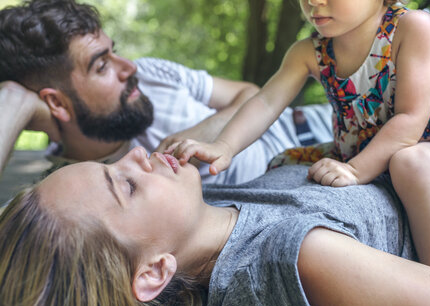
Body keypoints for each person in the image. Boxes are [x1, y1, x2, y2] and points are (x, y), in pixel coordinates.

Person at [1, 98, 430, 306]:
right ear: (155, 271)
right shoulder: (296, 258)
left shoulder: (218, 211)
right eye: (126, 185)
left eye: (110, 162)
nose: (136, 154)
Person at [167, 0, 430, 278]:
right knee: (284, 162)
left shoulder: (411, 27)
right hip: (352, 155)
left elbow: (410, 120)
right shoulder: (310, 51)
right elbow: (266, 103)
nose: (313, 1)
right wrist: (224, 146)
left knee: (410, 163)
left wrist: (355, 170)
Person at [0, 0, 333, 187]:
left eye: (114, 52)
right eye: (101, 66)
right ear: (56, 102)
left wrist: (192, 137)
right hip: (301, 181)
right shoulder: (73, 186)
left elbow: (250, 93)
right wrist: (13, 101)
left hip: (326, 122)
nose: (128, 67)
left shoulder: (150, 74)